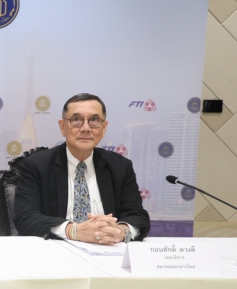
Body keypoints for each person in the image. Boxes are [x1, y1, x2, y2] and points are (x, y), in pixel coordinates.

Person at [12, 93, 149, 244]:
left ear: (104, 128)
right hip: (54, 249)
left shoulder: (120, 166)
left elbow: (138, 216)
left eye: (94, 120)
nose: (85, 128)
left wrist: (121, 231)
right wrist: (73, 231)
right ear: (63, 127)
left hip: (107, 249)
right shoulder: (36, 165)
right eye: (76, 120)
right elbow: (25, 217)